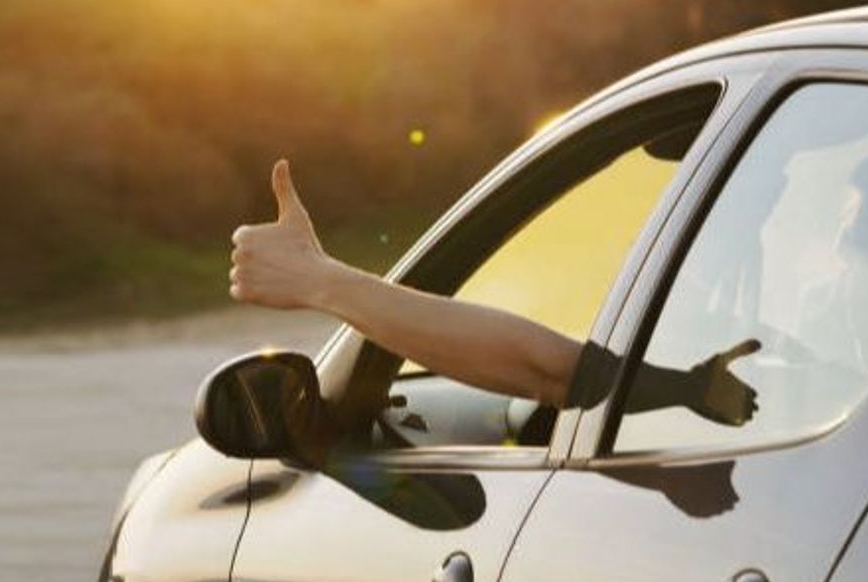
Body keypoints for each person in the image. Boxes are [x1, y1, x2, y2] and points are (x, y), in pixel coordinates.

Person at [229, 159, 758, 423]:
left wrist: (321, 282)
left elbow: (548, 370)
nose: (847, 196)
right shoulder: (817, 360)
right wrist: (690, 389)